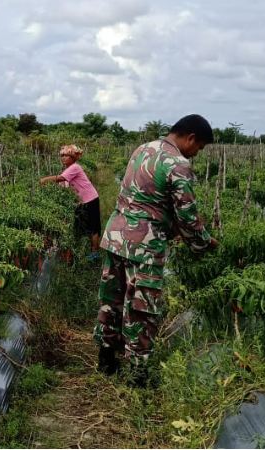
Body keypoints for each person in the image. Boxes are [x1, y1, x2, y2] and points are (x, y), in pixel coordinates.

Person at [94, 114, 220, 386]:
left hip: (116, 235)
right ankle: (137, 376)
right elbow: (186, 214)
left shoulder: (143, 149)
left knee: (112, 299)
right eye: (199, 148)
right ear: (191, 138)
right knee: (142, 308)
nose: (197, 154)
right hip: (145, 245)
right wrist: (203, 242)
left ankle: (106, 359)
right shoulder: (178, 163)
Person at [39, 144, 101, 261]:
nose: (63, 158)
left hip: (90, 199)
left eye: (66, 155)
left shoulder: (74, 167)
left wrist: (45, 180)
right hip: (82, 201)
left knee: (93, 227)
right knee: (79, 226)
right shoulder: (68, 170)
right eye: (61, 155)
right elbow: (64, 185)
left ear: (72, 157)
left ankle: (95, 253)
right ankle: (79, 249)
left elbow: (61, 178)